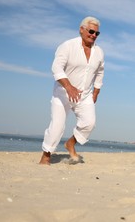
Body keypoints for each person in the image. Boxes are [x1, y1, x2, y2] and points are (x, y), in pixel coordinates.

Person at [39, 16, 105, 165]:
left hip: (85, 94)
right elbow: (56, 68)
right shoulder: (67, 46)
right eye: (91, 31)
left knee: (89, 123)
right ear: (81, 30)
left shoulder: (99, 52)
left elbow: (100, 71)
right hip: (63, 93)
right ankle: (46, 156)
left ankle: (71, 143)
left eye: (97, 33)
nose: (94, 35)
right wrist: (69, 87)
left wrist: (96, 91)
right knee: (57, 126)